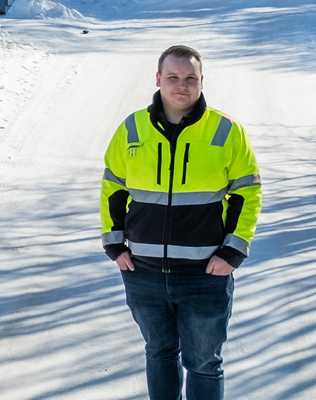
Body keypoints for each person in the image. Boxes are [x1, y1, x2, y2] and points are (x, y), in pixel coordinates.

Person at [99, 45, 262, 400]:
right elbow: (113, 186)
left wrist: (233, 251)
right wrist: (114, 244)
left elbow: (247, 194)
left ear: (202, 81)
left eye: (190, 78)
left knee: (204, 363)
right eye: (172, 77)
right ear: (158, 79)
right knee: (159, 353)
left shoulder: (226, 131)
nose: (181, 85)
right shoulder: (131, 129)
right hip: (143, 272)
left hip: (205, 274)